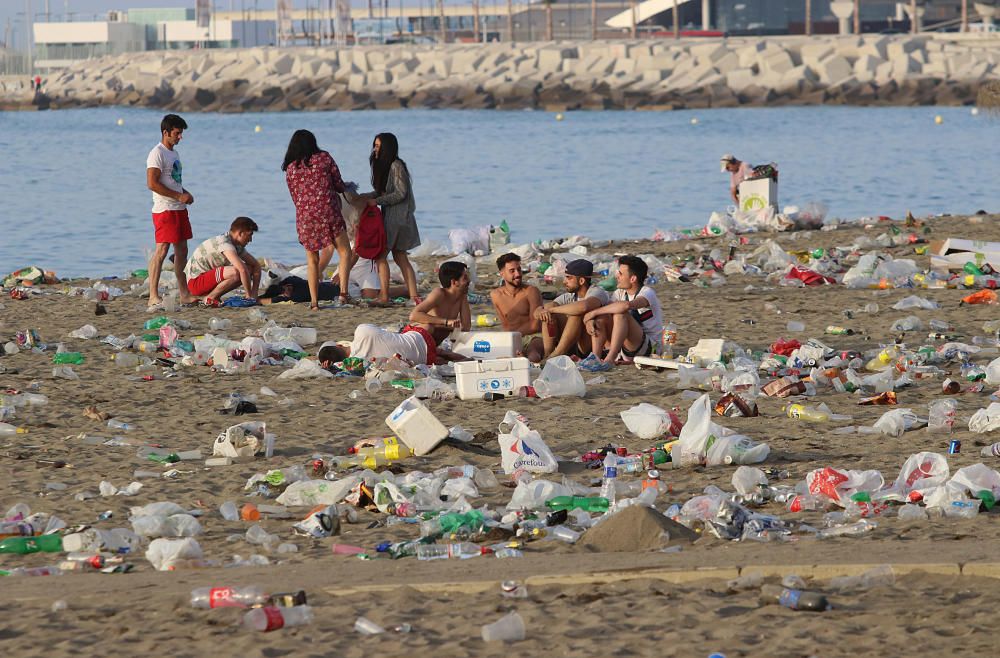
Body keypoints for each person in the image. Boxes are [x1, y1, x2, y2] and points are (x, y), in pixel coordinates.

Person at [317, 261, 471, 367]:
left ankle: (465, 360)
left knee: (441, 355)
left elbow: (466, 326)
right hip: (422, 337)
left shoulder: (358, 362)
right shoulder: (362, 330)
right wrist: (446, 322)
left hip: (423, 354)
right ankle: (471, 360)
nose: (469, 279)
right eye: (465, 277)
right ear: (453, 282)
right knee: (435, 342)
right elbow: (412, 316)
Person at [283, 129, 354, 310]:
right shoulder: (324, 158)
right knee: (345, 251)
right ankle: (344, 294)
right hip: (328, 212)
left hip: (305, 217)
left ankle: (314, 303)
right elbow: (338, 184)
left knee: (312, 260)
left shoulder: (291, 168)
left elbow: (294, 196)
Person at [146, 114, 196, 310]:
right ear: (165, 132)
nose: (179, 137)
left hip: (179, 208)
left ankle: (184, 294)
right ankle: (152, 295)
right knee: (161, 251)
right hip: (164, 209)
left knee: (182, 251)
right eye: (176, 133)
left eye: (181, 133)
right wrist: (177, 196)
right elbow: (152, 183)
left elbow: (173, 180)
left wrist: (185, 193)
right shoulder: (156, 153)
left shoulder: (174, 154)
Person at [365, 133, 420, 305]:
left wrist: (377, 201)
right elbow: (384, 192)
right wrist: (363, 197)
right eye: (375, 145)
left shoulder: (396, 166)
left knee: (381, 256)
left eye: (379, 146)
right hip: (401, 217)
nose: (376, 149)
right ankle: (414, 297)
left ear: (388, 148)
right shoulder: (388, 166)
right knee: (400, 257)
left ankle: (384, 296)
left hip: (397, 218)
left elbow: (400, 193)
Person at [582, 255, 663, 370]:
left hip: (650, 349)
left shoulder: (647, 293)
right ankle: (596, 357)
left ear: (633, 279)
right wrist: (592, 319)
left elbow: (626, 306)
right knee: (603, 317)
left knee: (621, 313)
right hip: (627, 349)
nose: (617, 276)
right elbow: (607, 310)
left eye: (620, 274)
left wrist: (592, 313)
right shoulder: (620, 293)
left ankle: (610, 359)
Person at [533, 259, 610, 358]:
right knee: (549, 312)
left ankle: (556, 355)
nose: (564, 282)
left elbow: (583, 307)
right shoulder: (570, 296)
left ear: (581, 281)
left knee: (575, 314)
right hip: (572, 345)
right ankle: (548, 354)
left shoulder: (597, 292)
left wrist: (551, 310)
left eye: (569, 278)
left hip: (590, 345)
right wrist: (541, 310)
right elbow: (546, 308)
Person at [185, 217, 262, 305]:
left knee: (249, 269)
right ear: (240, 233)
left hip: (207, 279)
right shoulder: (224, 243)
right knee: (237, 271)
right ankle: (210, 297)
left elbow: (256, 265)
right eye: (250, 235)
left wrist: (254, 293)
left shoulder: (236, 245)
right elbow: (241, 269)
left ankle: (214, 296)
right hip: (195, 283)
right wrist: (248, 295)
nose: (251, 240)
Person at [490, 252, 544, 363]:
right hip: (512, 339)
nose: (518, 274)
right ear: (502, 274)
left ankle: (524, 360)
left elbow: (535, 325)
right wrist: (509, 340)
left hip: (533, 337)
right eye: (512, 271)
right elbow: (505, 325)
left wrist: (512, 336)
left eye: (519, 269)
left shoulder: (531, 291)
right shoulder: (495, 295)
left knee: (534, 356)